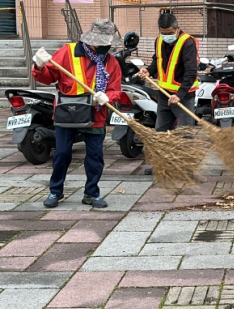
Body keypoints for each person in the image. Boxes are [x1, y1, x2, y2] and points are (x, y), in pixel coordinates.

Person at [32, 19, 123, 209]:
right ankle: (55, 191)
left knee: (95, 156)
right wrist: (39, 67)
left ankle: (91, 194)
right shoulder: (68, 52)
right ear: (90, 40)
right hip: (68, 112)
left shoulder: (111, 62)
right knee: (62, 153)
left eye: (107, 43)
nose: (105, 47)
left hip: (95, 114)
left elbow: (116, 88)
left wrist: (108, 96)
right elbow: (49, 76)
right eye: (101, 42)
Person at [136, 11, 199, 175]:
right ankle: (161, 165)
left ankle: (186, 168)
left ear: (177, 29)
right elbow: (157, 60)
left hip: (183, 97)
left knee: (185, 133)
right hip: (164, 94)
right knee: (161, 132)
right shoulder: (159, 41)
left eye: (170, 33)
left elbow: (191, 72)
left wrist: (180, 94)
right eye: (163, 33)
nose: (166, 36)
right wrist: (148, 71)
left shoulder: (188, 43)